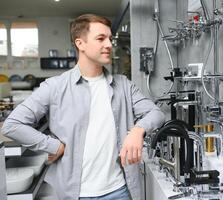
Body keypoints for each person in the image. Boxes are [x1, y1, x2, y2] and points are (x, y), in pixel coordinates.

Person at [1, 14, 165, 200]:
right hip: (74, 194)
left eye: (110, 39)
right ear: (80, 43)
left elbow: (156, 113)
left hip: (119, 190)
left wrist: (138, 130)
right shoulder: (55, 86)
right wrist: (54, 146)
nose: (109, 45)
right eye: (101, 38)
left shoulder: (124, 85)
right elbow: (13, 124)